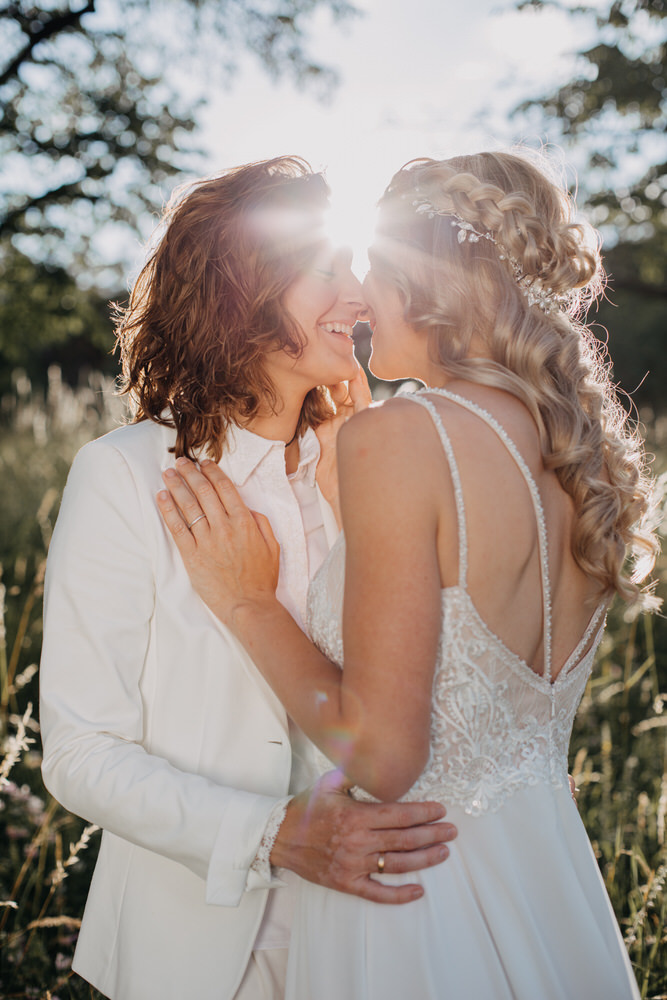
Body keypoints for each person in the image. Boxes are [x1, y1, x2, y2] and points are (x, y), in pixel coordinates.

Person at [158, 150, 659, 999]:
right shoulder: (575, 457)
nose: (358, 301)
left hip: (417, 896)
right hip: (546, 880)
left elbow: (385, 756)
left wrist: (247, 602)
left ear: (428, 277)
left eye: (372, 268)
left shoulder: (399, 436)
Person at [38, 156, 457, 1000]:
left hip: (377, 937)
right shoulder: (126, 474)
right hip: (191, 951)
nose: (360, 296)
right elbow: (80, 751)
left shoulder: (377, 465)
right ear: (242, 289)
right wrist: (273, 835)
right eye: (327, 268)